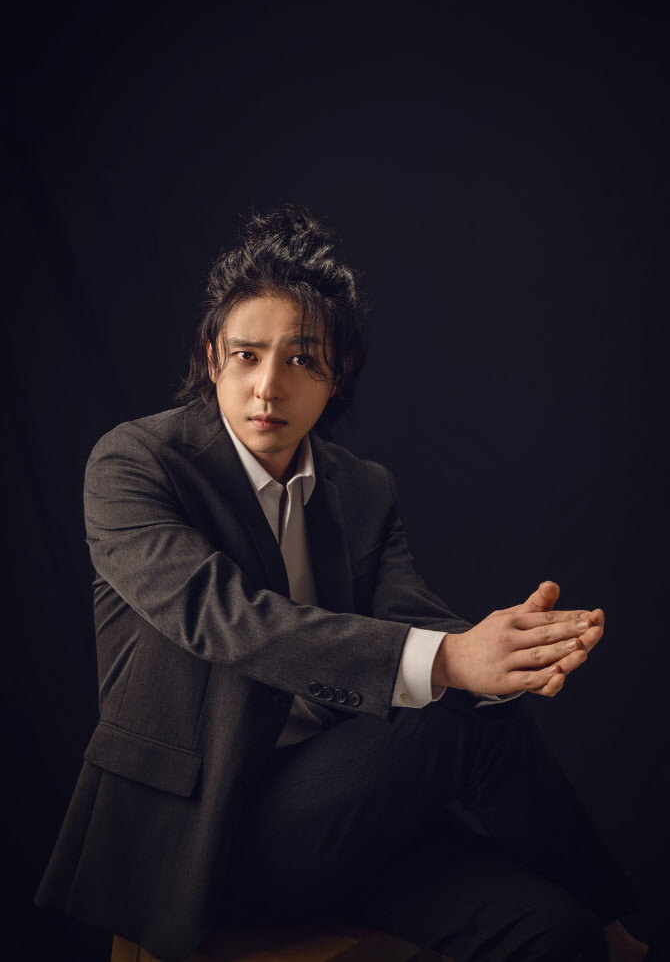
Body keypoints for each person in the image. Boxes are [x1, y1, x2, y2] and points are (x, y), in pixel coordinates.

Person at [36, 207, 648, 962]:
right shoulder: (135, 463)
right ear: (212, 357)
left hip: (342, 806)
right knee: (458, 708)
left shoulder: (362, 488)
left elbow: (414, 620)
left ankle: (602, 930)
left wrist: (511, 649)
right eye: (247, 355)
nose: (268, 386)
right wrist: (459, 663)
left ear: (339, 373)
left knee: (554, 933)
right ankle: (625, 935)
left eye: (301, 359)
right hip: (204, 840)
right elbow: (226, 617)